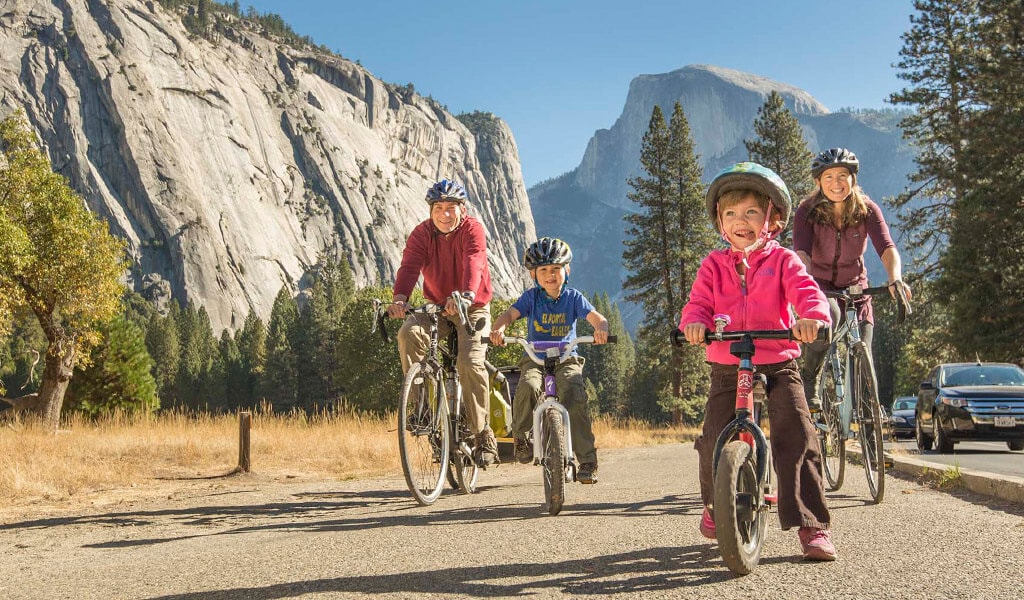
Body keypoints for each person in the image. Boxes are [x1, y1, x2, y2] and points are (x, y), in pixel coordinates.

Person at [679, 162, 837, 561]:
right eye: (730, 213)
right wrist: (695, 324)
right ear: (720, 221)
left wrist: (811, 319)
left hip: (777, 356)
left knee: (797, 432)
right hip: (730, 360)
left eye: (751, 212)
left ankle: (810, 525)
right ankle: (717, 504)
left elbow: (807, 291)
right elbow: (697, 303)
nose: (740, 221)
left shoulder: (783, 260)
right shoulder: (713, 265)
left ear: (772, 218)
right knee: (714, 435)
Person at [387, 179, 498, 466]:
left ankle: (482, 432)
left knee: (469, 363)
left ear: (462, 209)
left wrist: (466, 294)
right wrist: (399, 299)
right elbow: (409, 266)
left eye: (451, 207)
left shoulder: (472, 229)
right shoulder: (422, 234)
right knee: (408, 333)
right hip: (435, 307)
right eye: (439, 207)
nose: (445, 214)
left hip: (472, 307)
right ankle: (422, 406)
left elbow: (475, 259)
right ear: (431, 210)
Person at [792, 148, 912, 409]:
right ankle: (811, 378)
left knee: (864, 350)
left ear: (853, 179)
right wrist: (806, 290)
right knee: (828, 320)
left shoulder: (866, 209)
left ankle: (869, 412)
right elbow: (801, 253)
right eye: (829, 177)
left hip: (857, 288)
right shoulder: (806, 211)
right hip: (820, 285)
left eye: (843, 175)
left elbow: (887, 247)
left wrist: (895, 278)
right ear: (818, 182)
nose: (837, 183)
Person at [488, 237, 609, 484]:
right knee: (528, 387)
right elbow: (510, 314)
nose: (550, 275)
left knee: (574, 396)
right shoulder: (531, 298)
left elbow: (596, 317)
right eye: (543, 270)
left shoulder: (573, 298)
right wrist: (498, 329)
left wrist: (601, 329)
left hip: (566, 357)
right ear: (534, 274)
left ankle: (587, 460)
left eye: (556, 269)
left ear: (567, 270)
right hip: (535, 357)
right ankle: (522, 438)